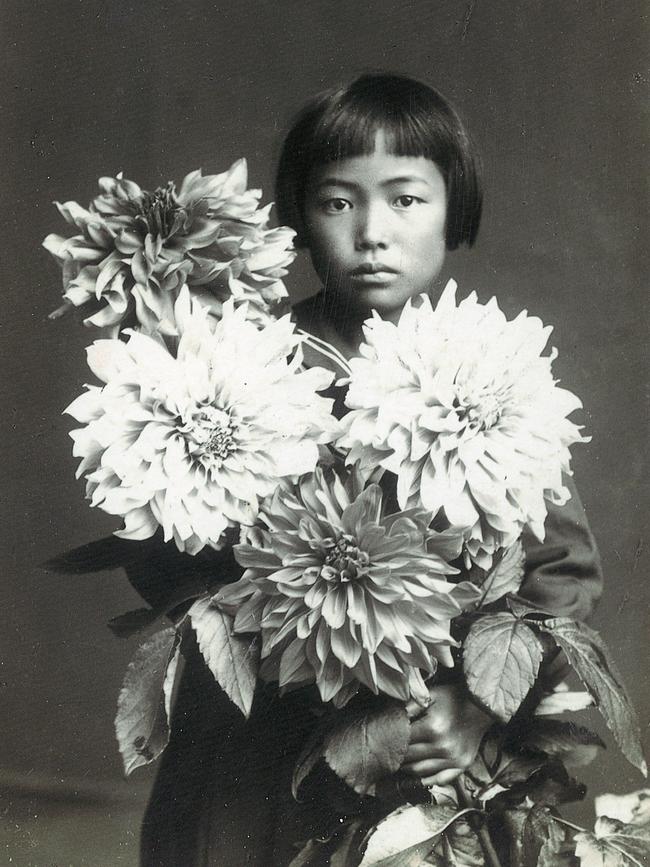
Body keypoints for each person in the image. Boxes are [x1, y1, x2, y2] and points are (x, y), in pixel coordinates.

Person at [139, 73, 602, 866]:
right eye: (338, 201)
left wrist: (481, 708)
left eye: (405, 200)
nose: (373, 232)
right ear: (299, 217)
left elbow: (560, 570)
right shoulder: (245, 362)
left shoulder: (493, 373)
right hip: (265, 735)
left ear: (455, 209)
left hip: (426, 733)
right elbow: (163, 550)